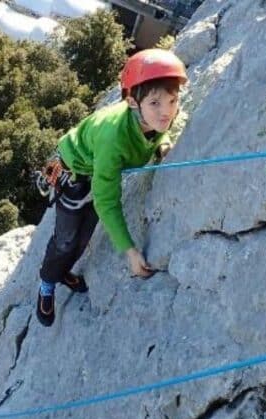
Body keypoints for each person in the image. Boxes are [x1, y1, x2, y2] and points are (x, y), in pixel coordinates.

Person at [36, 48, 188, 326]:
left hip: (97, 169)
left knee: (83, 239)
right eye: (155, 103)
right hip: (74, 170)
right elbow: (107, 202)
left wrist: (164, 142)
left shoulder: (157, 115)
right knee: (66, 239)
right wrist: (130, 251)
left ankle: (63, 271)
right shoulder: (113, 138)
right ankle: (47, 283)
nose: (166, 111)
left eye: (172, 100)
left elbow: (169, 122)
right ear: (132, 102)